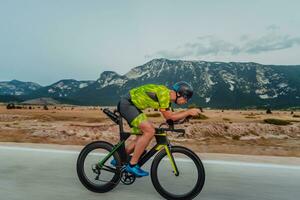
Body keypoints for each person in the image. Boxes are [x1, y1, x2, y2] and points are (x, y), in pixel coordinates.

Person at [114, 81, 201, 177]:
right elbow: (170, 117)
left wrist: (185, 117)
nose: (186, 101)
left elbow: (171, 119)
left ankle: (118, 158)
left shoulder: (167, 100)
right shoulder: (164, 95)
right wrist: (188, 112)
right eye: (186, 98)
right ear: (179, 94)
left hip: (132, 106)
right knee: (150, 131)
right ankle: (132, 165)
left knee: (141, 138)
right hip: (127, 105)